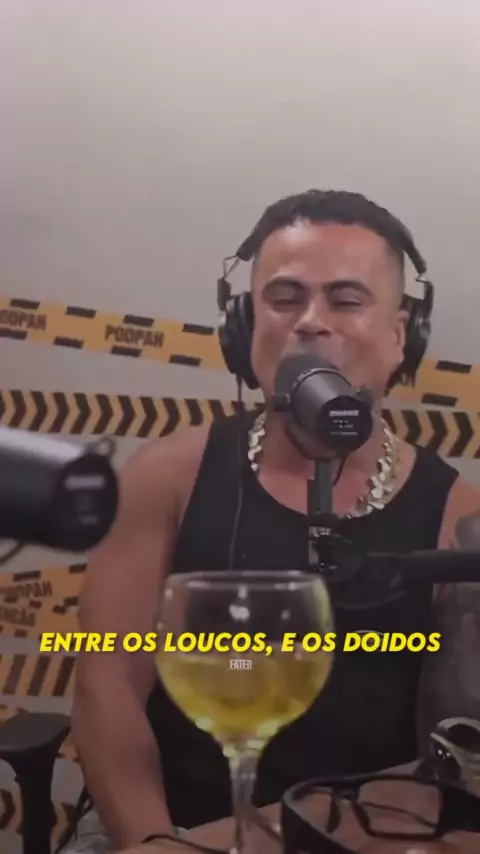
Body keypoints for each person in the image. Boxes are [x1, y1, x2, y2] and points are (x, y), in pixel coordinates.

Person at [66, 190, 480, 853]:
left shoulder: (460, 519)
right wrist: (157, 844)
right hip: (167, 830)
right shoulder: (164, 477)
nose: (311, 321)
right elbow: (106, 685)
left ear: (402, 334)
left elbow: (455, 763)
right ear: (243, 325)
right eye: (285, 298)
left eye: (346, 300)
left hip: (359, 832)